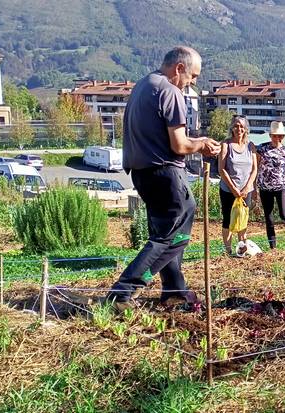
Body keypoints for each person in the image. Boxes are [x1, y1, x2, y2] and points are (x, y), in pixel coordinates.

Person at [108, 46, 221, 307]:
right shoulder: (170, 91)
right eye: (193, 76)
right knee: (173, 235)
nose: (192, 82)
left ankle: (174, 291)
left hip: (142, 174)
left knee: (164, 232)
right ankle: (123, 292)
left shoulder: (143, 85)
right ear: (179, 68)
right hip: (165, 172)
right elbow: (179, 145)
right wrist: (202, 143)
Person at [256, 121, 285, 249]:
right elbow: (256, 167)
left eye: (279, 136)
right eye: (274, 136)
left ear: (283, 137)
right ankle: (273, 248)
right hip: (265, 188)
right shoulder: (262, 149)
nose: (277, 138)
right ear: (270, 136)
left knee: (284, 214)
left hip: (281, 187)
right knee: (269, 219)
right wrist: (254, 188)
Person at [218, 115, 257, 255]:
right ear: (232, 128)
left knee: (243, 217)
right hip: (228, 189)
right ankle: (228, 250)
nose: (239, 128)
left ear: (246, 128)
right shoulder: (226, 144)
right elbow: (221, 169)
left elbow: (254, 169)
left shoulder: (250, 146)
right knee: (228, 218)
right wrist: (233, 188)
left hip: (246, 189)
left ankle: (242, 248)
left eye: (241, 126)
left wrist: (247, 187)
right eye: (236, 126)